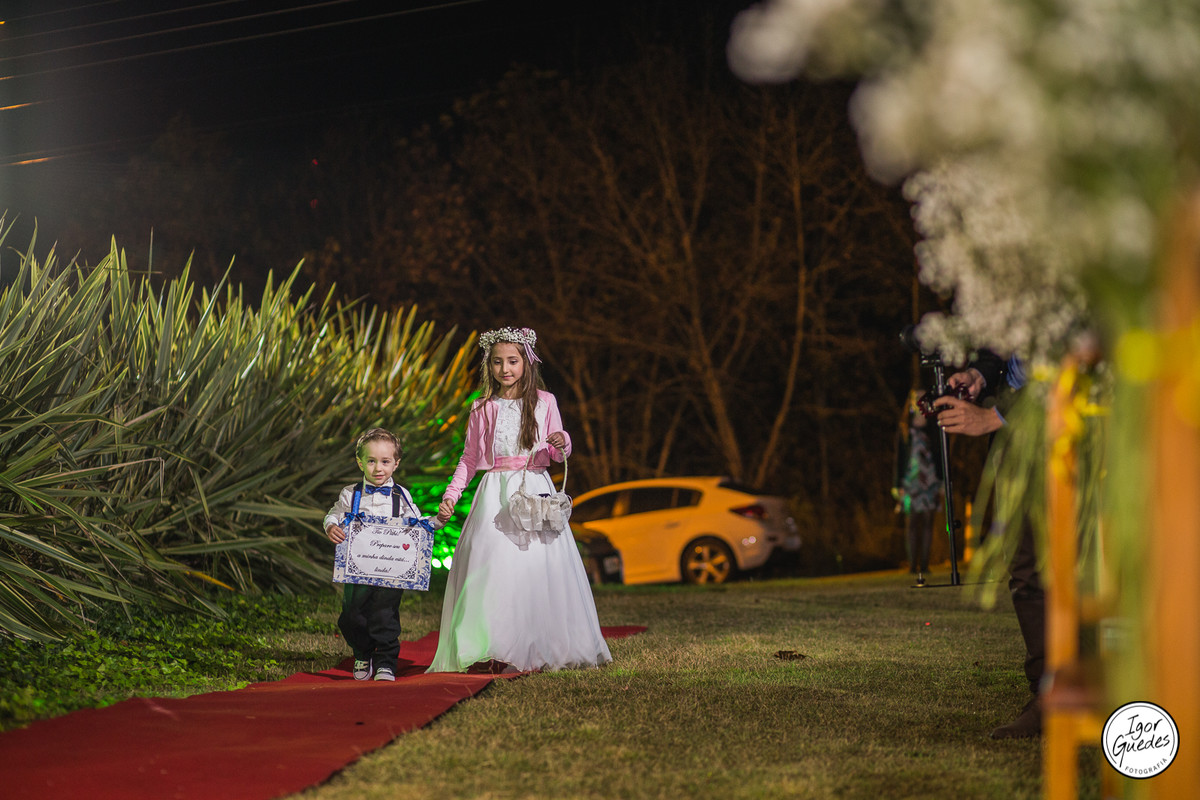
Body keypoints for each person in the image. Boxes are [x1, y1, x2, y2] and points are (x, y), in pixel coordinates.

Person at [428, 326, 612, 674]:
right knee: (491, 567)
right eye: (497, 362)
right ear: (489, 366)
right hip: (494, 494)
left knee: (536, 568)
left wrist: (562, 441)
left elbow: (559, 454)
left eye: (512, 361)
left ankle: (540, 643)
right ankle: (489, 645)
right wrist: (451, 495)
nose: (505, 369)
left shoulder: (545, 402)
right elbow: (469, 459)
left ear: (527, 362)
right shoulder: (481, 406)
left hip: (534, 490)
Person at [935, 352, 1043, 739]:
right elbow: (1004, 350)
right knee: (1025, 564)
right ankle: (1047, 692)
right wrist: (980, 375)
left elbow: (1072, 354)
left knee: (1076, 561)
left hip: (1068, 424)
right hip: (1014, 442)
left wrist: (995, 416)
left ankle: (1106, 682)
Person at [324, 428, 443, 682]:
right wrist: (331, 526)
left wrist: (438, 521)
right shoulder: (351, 493)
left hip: (391, 573)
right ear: (360, 462)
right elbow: (334, 513)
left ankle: (386, 662)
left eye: (385, 461)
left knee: (384, 616)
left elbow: (418, 522)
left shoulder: (401, 496)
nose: (378, 468)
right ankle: (362, 653)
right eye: (371, 460)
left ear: (396, 463)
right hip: (358, 570)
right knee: (351, 616)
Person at [892, 389, 943, 584]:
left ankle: (925, 564)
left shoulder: (934, 424)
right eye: (915, 398)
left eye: (922, 398)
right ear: (911, 402)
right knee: (912, 522)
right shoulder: (905, 426)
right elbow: (899, 458)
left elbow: (939, 454)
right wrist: (897, 484)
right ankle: (912, 565)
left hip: (930, 479)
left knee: (929, 521)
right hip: (910, 480)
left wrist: (941, 481)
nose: (918, 402)